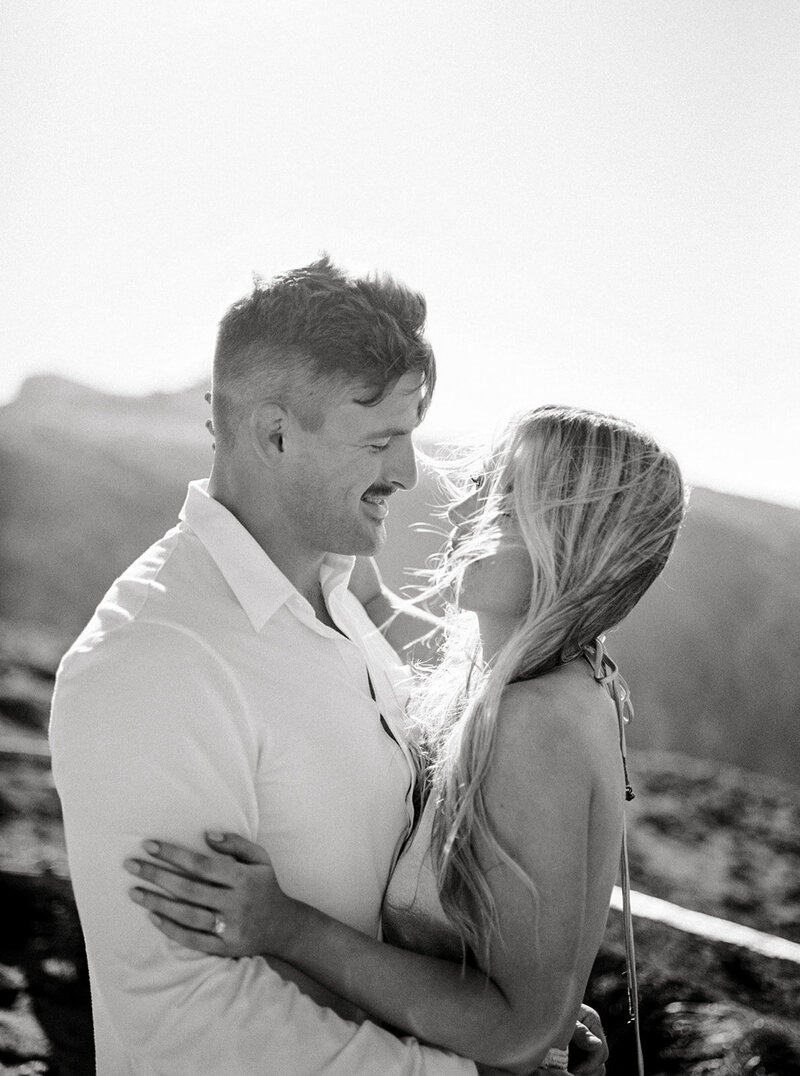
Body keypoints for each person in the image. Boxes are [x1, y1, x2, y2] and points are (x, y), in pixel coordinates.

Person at [49, 259, 606, 1075]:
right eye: (382, 441)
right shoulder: (150, 663)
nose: (409, 474)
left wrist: (503, 1016)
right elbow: (190, 1019)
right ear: (276, 434)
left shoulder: (339, 598)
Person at [122, 404, 687, 1074]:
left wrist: (284, 925)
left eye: (503, 504)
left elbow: (517, 1029)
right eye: (479, 485)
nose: (458, 516)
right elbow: (378, 614)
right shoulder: (571, 675)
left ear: (580, 541)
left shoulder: (533, 723)